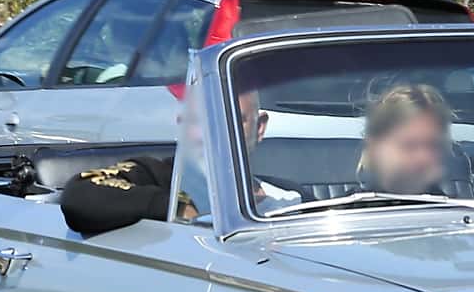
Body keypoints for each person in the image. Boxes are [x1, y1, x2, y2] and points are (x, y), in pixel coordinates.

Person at [60, 82, 298, 235]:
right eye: (202, 120)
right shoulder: (158, 176)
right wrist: (177, 208)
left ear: (259, 127)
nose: (217, 132)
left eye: (235, 119)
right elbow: (81, 194)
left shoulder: (291, 197)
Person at [357, 83, 468, 196]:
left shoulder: (451, 206)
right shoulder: (350, 206)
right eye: (409, 145)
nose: (424, 157)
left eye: (433, 146)